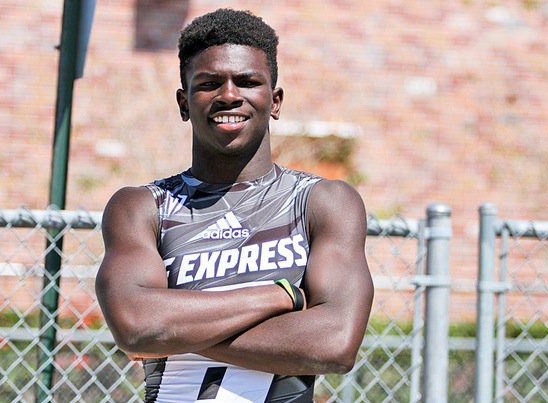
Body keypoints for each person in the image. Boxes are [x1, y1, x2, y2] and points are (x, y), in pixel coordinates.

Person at [95, 8, 374, 402]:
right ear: (184, 103)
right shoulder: (143, 208)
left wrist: (173, 332)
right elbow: (136, 326)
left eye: (247, 82)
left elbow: (335, 344)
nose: (229, 95)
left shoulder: (322, 203)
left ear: (275, 101)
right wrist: (283, 297)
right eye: (209, 83)